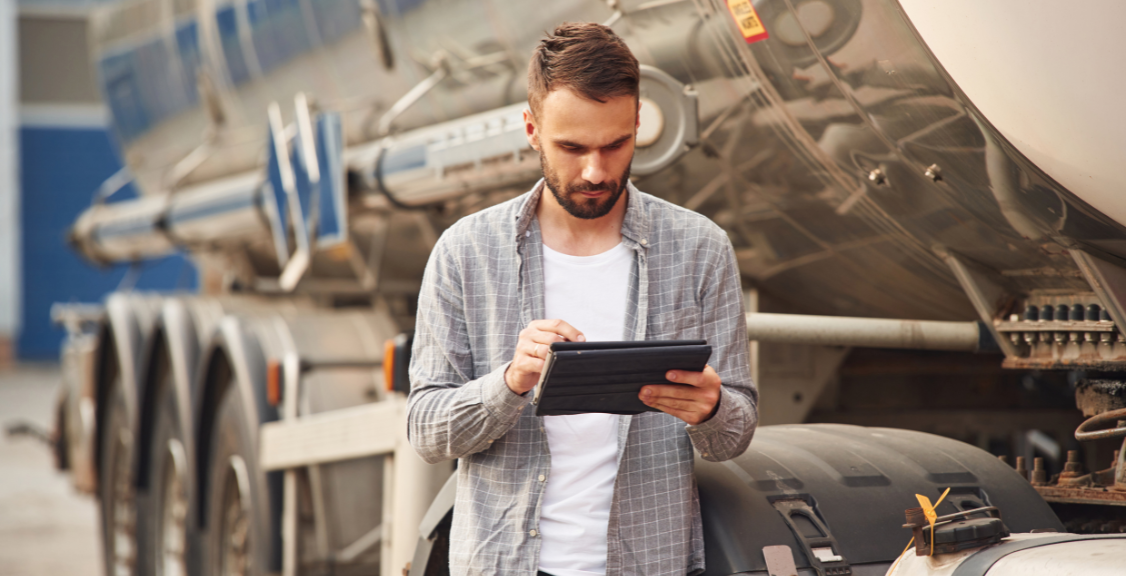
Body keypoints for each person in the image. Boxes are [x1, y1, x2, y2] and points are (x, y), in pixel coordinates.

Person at [407, 22, 757, 576]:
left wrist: (712, 410)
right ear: (531, 129)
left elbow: (734, 434)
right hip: (506, 563)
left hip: (647, 563)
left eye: (615, 145)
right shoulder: (465, 252)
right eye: (571, 148)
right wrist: (509, 383)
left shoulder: (700, 249)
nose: (595, 171)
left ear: (639, 124)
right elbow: (426, 430)